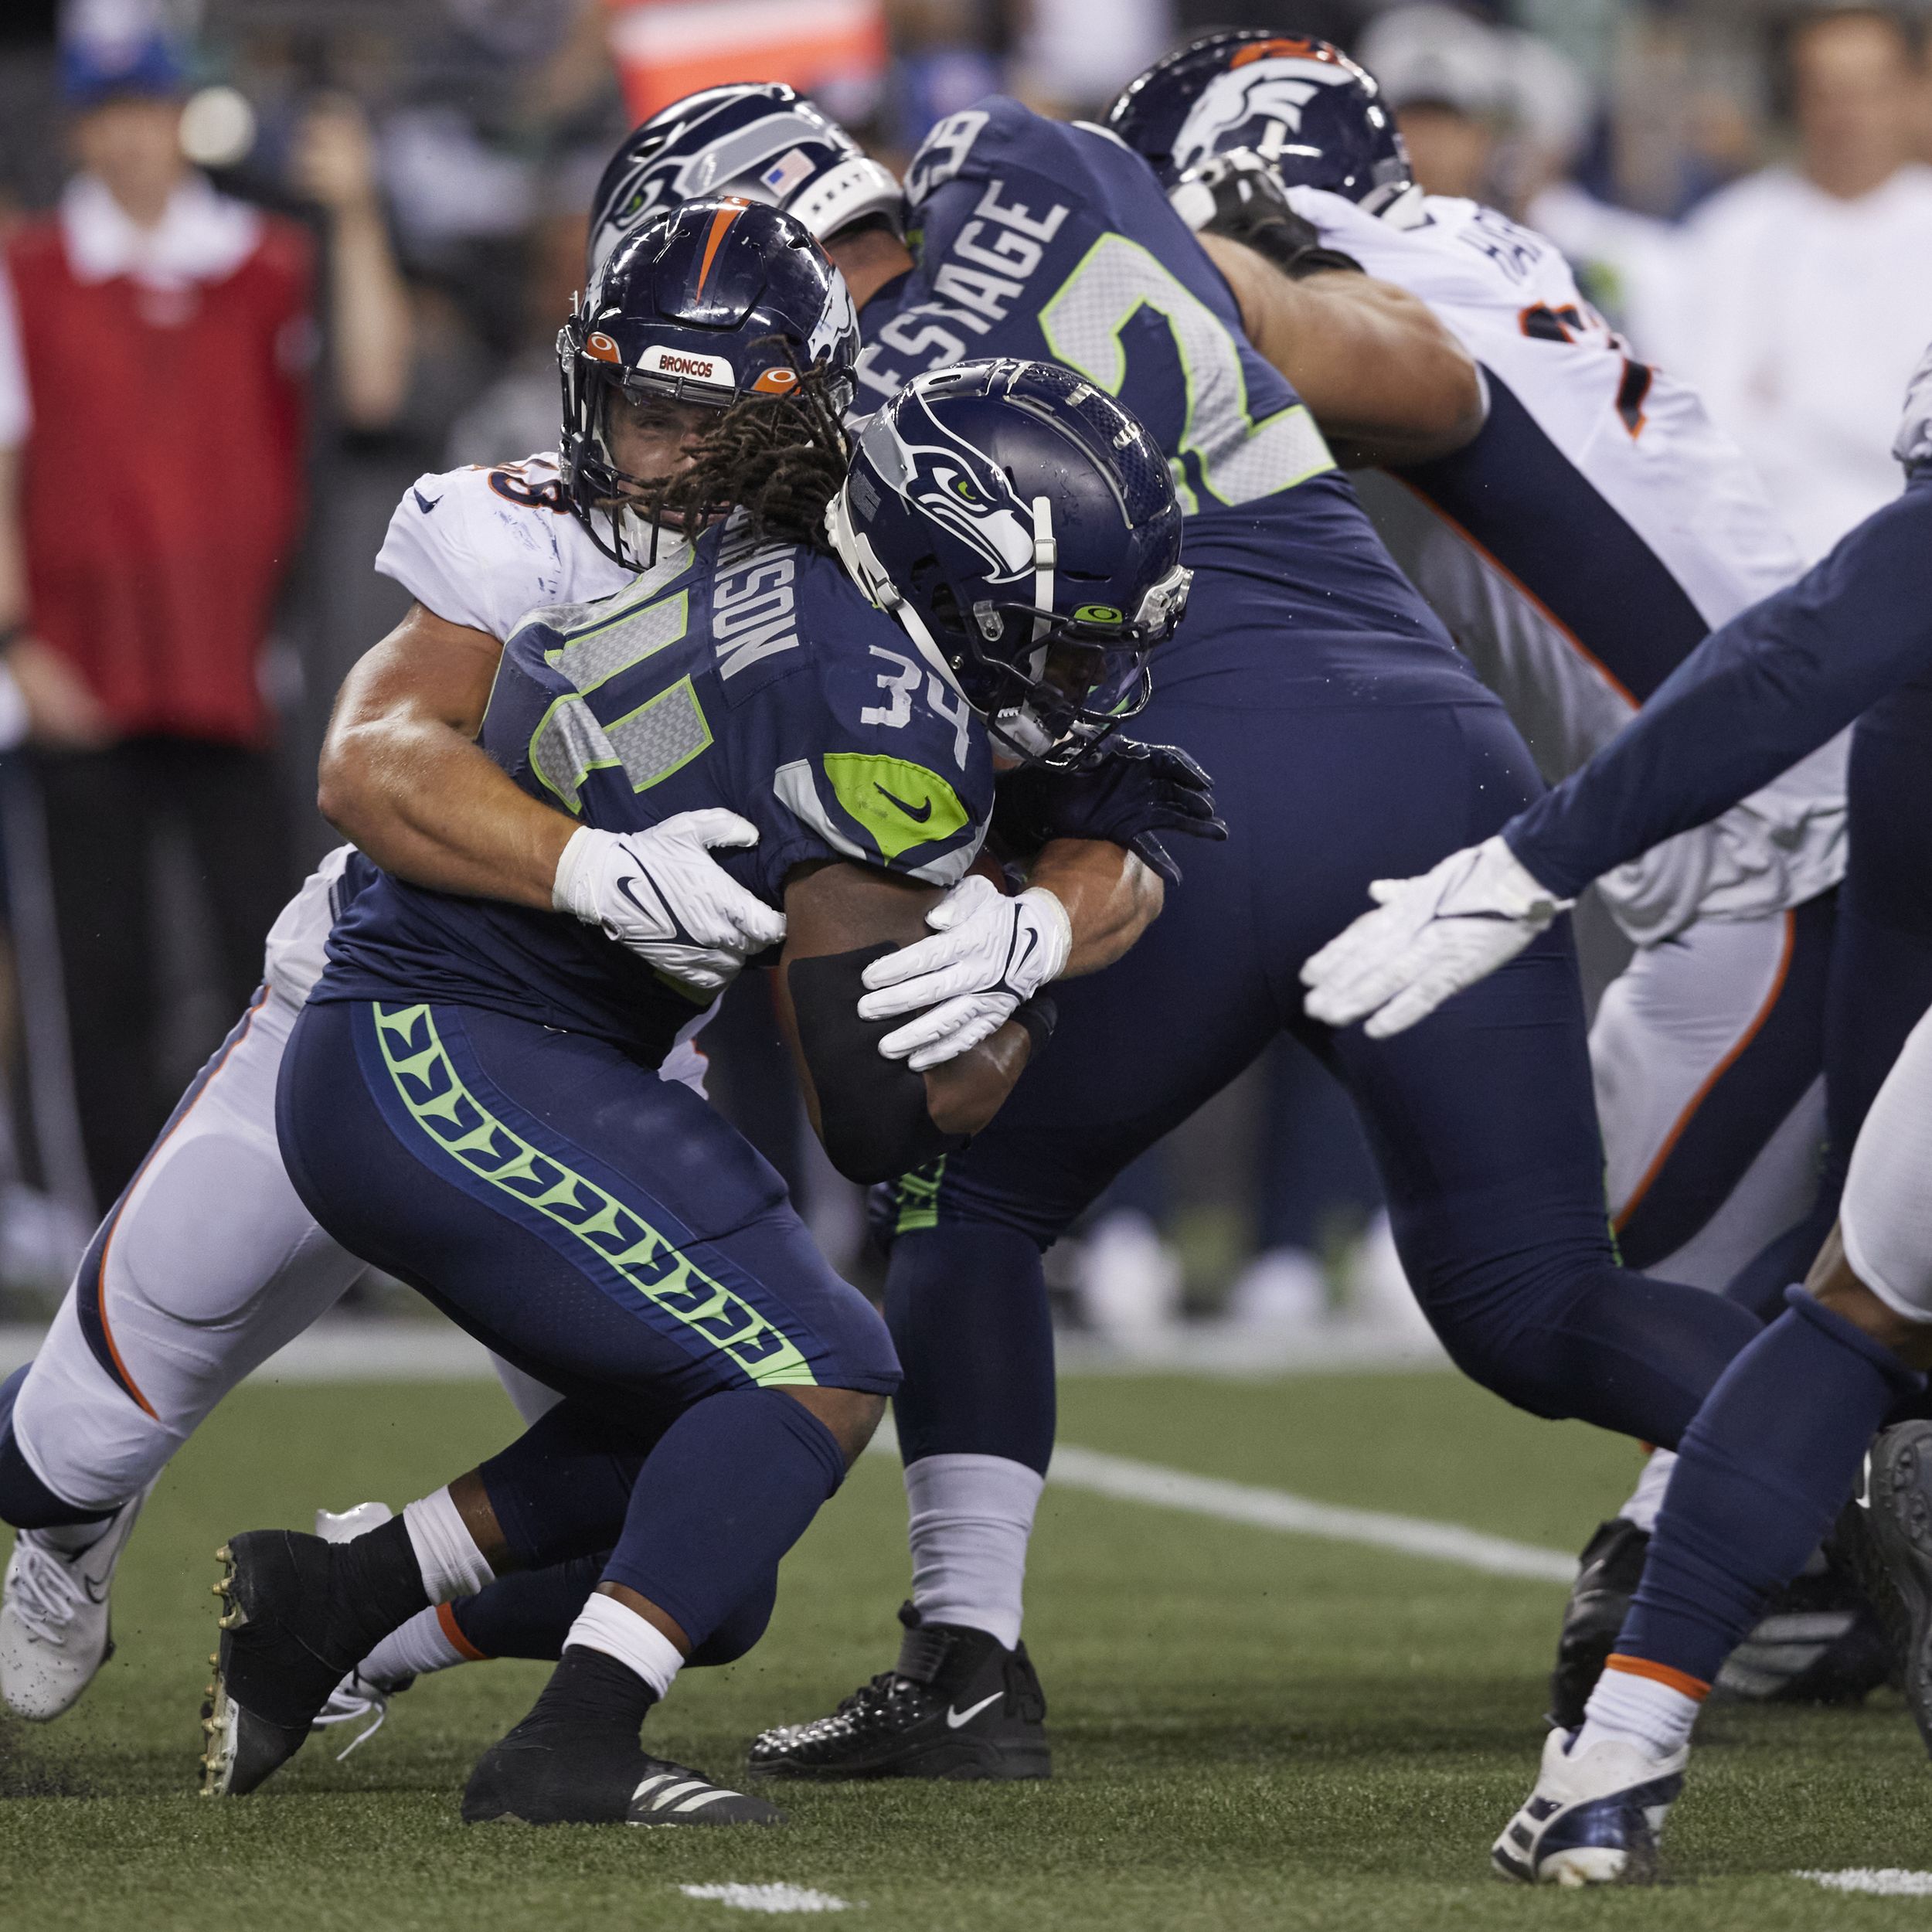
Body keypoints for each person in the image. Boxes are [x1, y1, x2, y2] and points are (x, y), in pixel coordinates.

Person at [565, 82, 1775, 1788]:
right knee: (1533, 1294)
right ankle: (1863, 1450)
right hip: (1431, 747)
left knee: (955, 1184)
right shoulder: (1030, 153)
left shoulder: (823, 442)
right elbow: (1400, 378)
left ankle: (964, 1658)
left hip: (1183, 791)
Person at [202, 205, 1203, 1826]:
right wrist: (1010, 998)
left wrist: (1024, 916)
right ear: (970, 582)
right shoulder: (880, 709)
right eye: (1062, 640)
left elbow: (1102, 824)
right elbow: (874, 1119)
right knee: (820, 1361)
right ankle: (569, 1742)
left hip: (470, 1037)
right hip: (441, 1039)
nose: (1069, 681)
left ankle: (332, 1598)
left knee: (705, 1429)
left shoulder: (811, 569)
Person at [1123, 31, 1863, 1716]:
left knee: (1571, 1286)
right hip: (1751, 828)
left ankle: (1801, 1541)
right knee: (1638, 1274)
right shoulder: (1454, 251)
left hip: (1780, 838)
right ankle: (1782, 1559)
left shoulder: (1384, 300)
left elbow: (1308, 353)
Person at [0, 19, 413, 1211]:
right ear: (80, 126)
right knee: (97, 971)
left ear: (180, 114)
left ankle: (279, 1212)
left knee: (267, 958)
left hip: (234, 669)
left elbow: (373, 379)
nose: (131, 137)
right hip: (76, 674)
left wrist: (358, 212)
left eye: (149, 108)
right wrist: (18, 644)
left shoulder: (270, 256)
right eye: (109, 113)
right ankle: (106, 1222)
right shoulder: (29, 270)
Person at [1648, 6, 1932, 561]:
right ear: (1795, 99)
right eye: (1826, 91)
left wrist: (1794, 406)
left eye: (1868, 90)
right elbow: (1706, 427)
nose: (1847, 115)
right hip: (1769, 560)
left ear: (1909, 93)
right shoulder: (1728, 235)